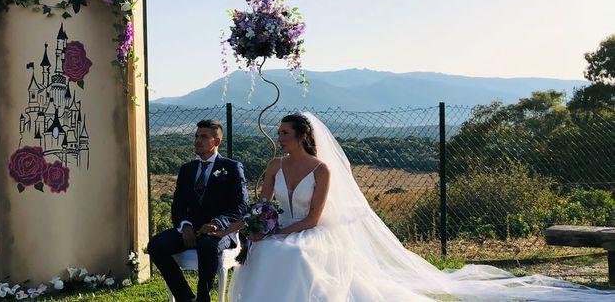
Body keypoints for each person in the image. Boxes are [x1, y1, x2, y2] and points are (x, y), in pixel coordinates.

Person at [217, 112, 615, 301]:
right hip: (278, 230)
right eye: (280, 134)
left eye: (285, 134)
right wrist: (253, 227)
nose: (280, 139)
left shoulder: (321, 169)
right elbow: (262, 205)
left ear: (302, 136)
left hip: (310, 231)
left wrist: (282, 231)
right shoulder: (273, 165)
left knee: (291, 255)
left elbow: (314, 217)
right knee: (266, 250)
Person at [148, 119, 249, 302]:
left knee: (207, 245)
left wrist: (218, 223)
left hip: (221, 231)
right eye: (196, 136)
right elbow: (177, 205)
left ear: (216, 142)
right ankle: (185, 298)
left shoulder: (232, 168)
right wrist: (185, 226)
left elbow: (240, 207)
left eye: (203, 137)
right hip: (191, 228)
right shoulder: (187, 169)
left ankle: (204, 298)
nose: (197, 140)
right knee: (156, 245)